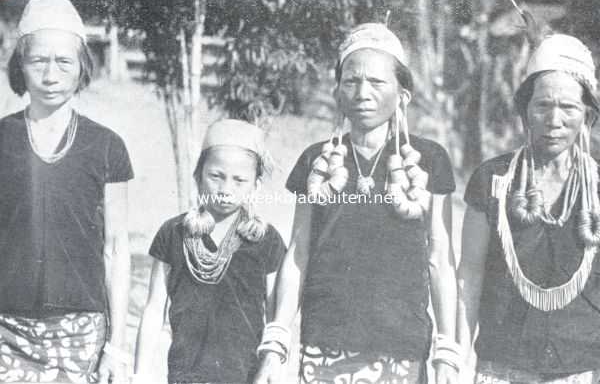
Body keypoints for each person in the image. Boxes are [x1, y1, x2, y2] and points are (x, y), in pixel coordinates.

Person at [254, 23, 459, 384]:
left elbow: (440, 259)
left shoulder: (429, 160)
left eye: (377, 83)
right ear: (337, 92)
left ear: (403, 94)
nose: (362, 92)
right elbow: (298, 255)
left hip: (402, 347)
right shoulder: (316, 161)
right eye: (351, 81)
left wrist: (447, 354)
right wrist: (275, 344)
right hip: (324, 344)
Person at [0, 0, 134, 384]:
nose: (50, 75)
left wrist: (116, 346)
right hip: (6, 331)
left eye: (64, 62)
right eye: (38, 60)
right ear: (19, 66)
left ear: (82, 68)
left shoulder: (106, 145)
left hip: (81, 333)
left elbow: (116, 248)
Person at [457, 33, 600, 383]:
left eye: (568, 107)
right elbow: (470, 274)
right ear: (524, 112)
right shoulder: (492, 179)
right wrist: (457, 356)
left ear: (589, 117)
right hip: (500, 365)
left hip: (580, 367)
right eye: (542, 105)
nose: (554, 119)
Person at [134, 119, 286, 384]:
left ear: (256, 185)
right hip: (185, 375)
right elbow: (153, 308)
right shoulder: (174, 233)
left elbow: (275, 317)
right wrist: (141, 374)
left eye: (240, 180)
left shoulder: (266, 241)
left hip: (246, 377)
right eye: (216, 176)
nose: (226, 190)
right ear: (198, 176)